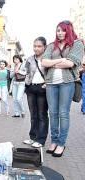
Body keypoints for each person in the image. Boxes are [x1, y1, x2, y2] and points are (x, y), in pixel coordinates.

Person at [41, 20, 84, 157]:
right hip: (51, 83)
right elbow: (44, 62)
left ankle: (61, 143)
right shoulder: (51, 45)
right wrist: (61, 61)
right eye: (58, 30)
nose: (60, 33)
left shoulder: (77, 43)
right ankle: (53, 141)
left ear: (69, 30)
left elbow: (71, 63)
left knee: (63, 113)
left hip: (67, 82)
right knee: (52, 113)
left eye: (63, 30)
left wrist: (53, 63)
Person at [23, 37, 49, 148]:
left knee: (42, 115)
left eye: (39, 46)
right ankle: (32, 137)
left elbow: (51, 73)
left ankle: (41, 139)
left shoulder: (48, 58)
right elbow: (27, 72)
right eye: (35, 46)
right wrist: (27, 84)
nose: (36, 48)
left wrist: (47, 83)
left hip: (43, 88)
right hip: (31, 88)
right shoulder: (29, 59)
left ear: (44, 47)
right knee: (33, 115)